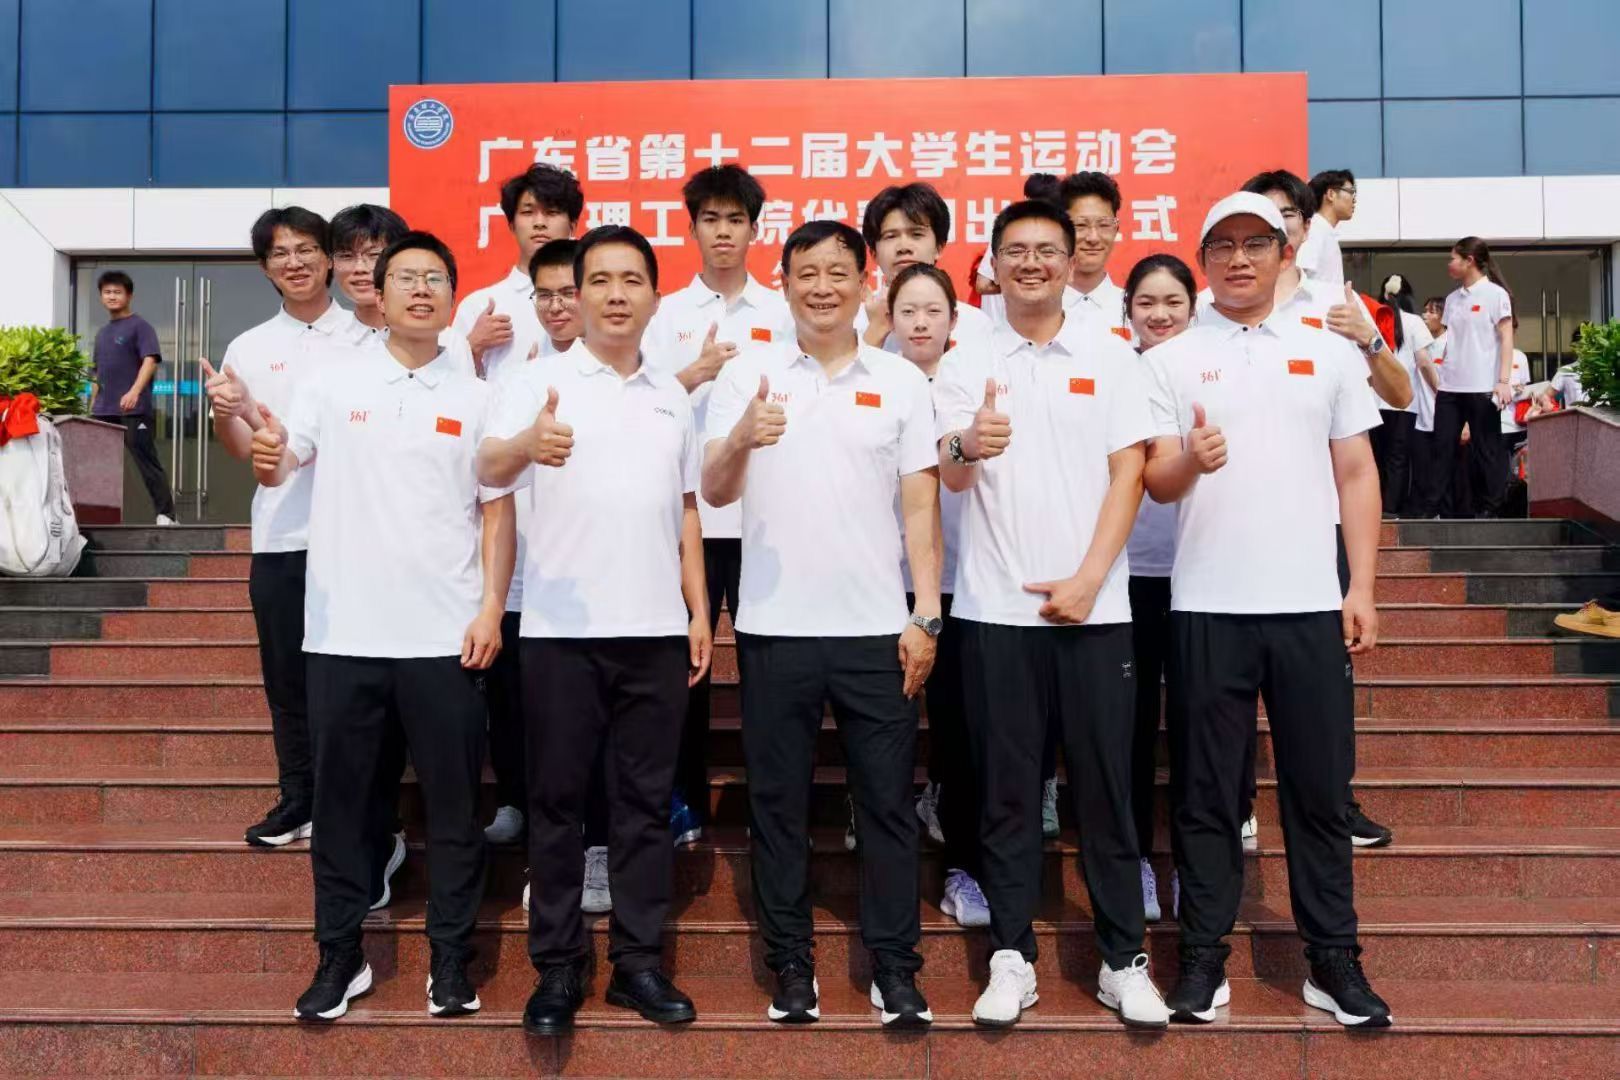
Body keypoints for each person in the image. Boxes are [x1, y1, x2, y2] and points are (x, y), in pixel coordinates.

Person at [251, 231, 514, 1022]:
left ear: (452, 295)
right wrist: (261, 446)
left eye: (436, 277)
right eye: (407, 277)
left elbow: (496, 512)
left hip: (445, 638)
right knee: (341, 811)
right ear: (378, 290)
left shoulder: (477, 396)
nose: (421, 289)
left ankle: (451, 961)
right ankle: (340, 956)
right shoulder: (333, 384)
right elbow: (281, 461)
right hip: (345, 637)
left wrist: (491, 608)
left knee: (454, 810)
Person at [1143, 192, 1390, 1029]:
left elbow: (1357, 472)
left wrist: (1361, 587)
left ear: (1287, 253)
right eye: (1223, 246)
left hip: (1308, 605)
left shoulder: (1326, 349)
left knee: (1318, 793)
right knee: (1206, 795)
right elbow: (1157, 480)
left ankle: (1333, 959)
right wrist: (1191, 460)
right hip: (1207, 606)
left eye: (1257, 243)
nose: (1239, 258)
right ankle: (1202, 955)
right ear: (1203, 261)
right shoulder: (1173, 358)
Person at [702, 220, 941, 1029]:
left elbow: (920, 507)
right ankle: (791, 965)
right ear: (784, 282)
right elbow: (715, 488)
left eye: (839, 271)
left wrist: (926, 614)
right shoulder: (750, 375)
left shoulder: (900, 380)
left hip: (877, 630)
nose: (823, 287)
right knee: (778, 806)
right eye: (807, 272)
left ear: (865, 281)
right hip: (777, 628)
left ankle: (895, 968)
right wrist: (740, 437)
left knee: (886, 808)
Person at [935, 200, 1167, 1030]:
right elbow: (949, 470)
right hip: (995, 612)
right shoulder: (965, 358)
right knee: (1005, 794)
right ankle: (1011, 956)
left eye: (1046, 250)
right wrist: (969, 443)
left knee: (1105, 792)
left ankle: (1123, 961)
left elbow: (1130, 472)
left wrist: (1089, 578)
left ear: (1072, 262)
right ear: (993, 265)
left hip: (1096, 614)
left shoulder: (1112, 355)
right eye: (1015, 251)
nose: (1031, 263)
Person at [478, 225, 706, 1035]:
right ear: (575, 295)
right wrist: (525, 446)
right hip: (559, 632)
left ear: (654, 296)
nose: (615, 294)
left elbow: (686, 509)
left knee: (643, 805)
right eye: (599, 280)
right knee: (556, 803)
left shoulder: (671, 394)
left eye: (631, 280)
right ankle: (559, 967)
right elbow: (488, 473)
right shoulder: (535, 382)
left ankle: (638, 964)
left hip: (655, 631)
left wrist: (697, 609)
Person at [202, 207, 364, 851]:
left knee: (355, 682)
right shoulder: (249, 347)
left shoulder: (367, 335)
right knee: (287, 681)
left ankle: (358, 806)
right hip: (281, 537)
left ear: (329, 258)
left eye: (305, 249)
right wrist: (227, 413)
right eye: (279, 253)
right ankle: (299, 798)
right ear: (265, 268)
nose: (294, 262)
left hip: (360, 539)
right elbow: (242, 449)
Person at [642, 165, 794, 848]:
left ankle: (772, 808)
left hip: (766, 514)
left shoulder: (785, 313)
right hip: (685, 517)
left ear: (756, 229)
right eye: (711, 219)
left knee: (768, 669)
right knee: (687, 665)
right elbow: (634, 405)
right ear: (692, 227)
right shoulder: (665, 314)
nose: (723, 232)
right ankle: (682, 801)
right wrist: (691, 376)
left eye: (736, 220)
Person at [886, 263, 989, 929]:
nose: (921, 323)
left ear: (955, 319)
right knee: (890, 729)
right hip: (887, 580)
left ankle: (964, 868)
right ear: (889, 318)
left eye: (933, 311)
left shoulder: (975, 379)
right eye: (908, 311)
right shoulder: (873, 379)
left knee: (963, 727)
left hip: (967, 580)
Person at [1121, 253, 1198, 925]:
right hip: (1132, 574)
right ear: (1128, 312)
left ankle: (1199, 868)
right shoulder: (1114, 374)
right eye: (1146, 302)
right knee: (1135, 726)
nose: (1160, 313)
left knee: (1201, 724)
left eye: (1173, 301)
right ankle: (1140, 861)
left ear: (1193, 308)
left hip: (1206, 572)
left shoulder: (1211, 369)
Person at [453, 163, 582, 379]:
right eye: (528, 212)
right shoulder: (480, 305)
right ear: (512, 225)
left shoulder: (594, 296)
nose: (539, 223)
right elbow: (452, 387)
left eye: (551, 212)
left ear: (573, 225)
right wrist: (472, 348)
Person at [1417, 237, 1516, 518]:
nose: (1449, 264)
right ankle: (1431, 509)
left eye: (1453, 258)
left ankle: (1491, 508)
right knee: (1442, 449)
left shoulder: (1496, 295)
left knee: (1487, 451)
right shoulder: (1452, 299)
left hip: (1482, 387)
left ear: (1469, 260)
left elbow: (1507, 338)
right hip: (1450, 387)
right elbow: (1452, 341)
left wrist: (1503, 381)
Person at [330, 203, 476, 376]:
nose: (359, 268)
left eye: (374, 255)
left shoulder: (449, 341)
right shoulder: (324, 340)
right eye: (346, 256)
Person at [858, 182, 992, 356]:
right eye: (891, 236)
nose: (904, 247)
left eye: (916, 234)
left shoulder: (974, 323)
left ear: (939, 247)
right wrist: (876, 330)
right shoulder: (852, 322)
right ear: (874, 253)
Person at [89, 271, 176, 525]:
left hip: (133, 410)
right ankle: (98, 516)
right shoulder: (102, 333)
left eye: (117, 292)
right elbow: (97, 373)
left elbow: (150, 361)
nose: (112, 296)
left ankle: (167, 515)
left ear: (129, 296)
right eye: (107, 292)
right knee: (98, 466)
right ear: (101, 296)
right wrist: (91, 405)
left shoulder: (140, 326)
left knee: (146, 462)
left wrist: (135, 391)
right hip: (103, 411)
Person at [1376, 276, 1438, 517]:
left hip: (1374, 400)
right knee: (1398, 458)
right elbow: (1424, 363)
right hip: (1404, 402)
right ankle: (1391, 509)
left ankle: (1375, 507)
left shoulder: (1374, 318)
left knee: (1377, 457)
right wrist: (1439, 391)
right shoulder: (1414, 323)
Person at [1296, 169, 1357, 287]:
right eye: (1351, 192)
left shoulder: (1324, 231)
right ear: (1331, 194)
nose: (1354, 200)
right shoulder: (1314, 230)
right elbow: (1299, 277)